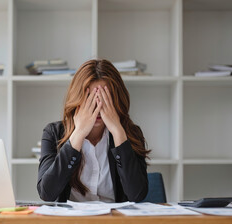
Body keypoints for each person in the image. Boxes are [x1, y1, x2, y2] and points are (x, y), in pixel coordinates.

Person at [37, 58, 150, 205]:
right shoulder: (53, 132)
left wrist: (117, 131)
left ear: (116, 100)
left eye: (104, 98)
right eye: (90, 99)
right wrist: (78, 134)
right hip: (71, 223)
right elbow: (47, 193)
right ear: (78, 99)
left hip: (116, 222)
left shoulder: (130, 133)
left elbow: (137, 194)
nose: (97, 106)